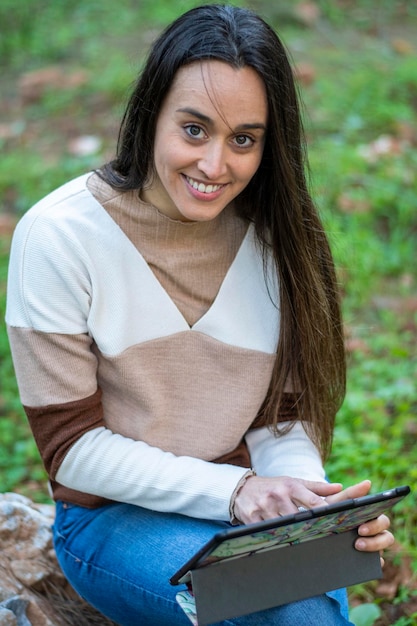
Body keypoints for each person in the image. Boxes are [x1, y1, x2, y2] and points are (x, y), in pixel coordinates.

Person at [6, 4, 393, 625]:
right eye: (193, 130)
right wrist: (236, 494)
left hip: (247, 510)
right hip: (112, 519)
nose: (215, 166)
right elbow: (71, 449)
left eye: (243, 139)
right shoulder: (61, 237)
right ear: (152, 114)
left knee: (307, 600)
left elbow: (282, 421)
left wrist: (305, 512)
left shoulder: (281, 240)